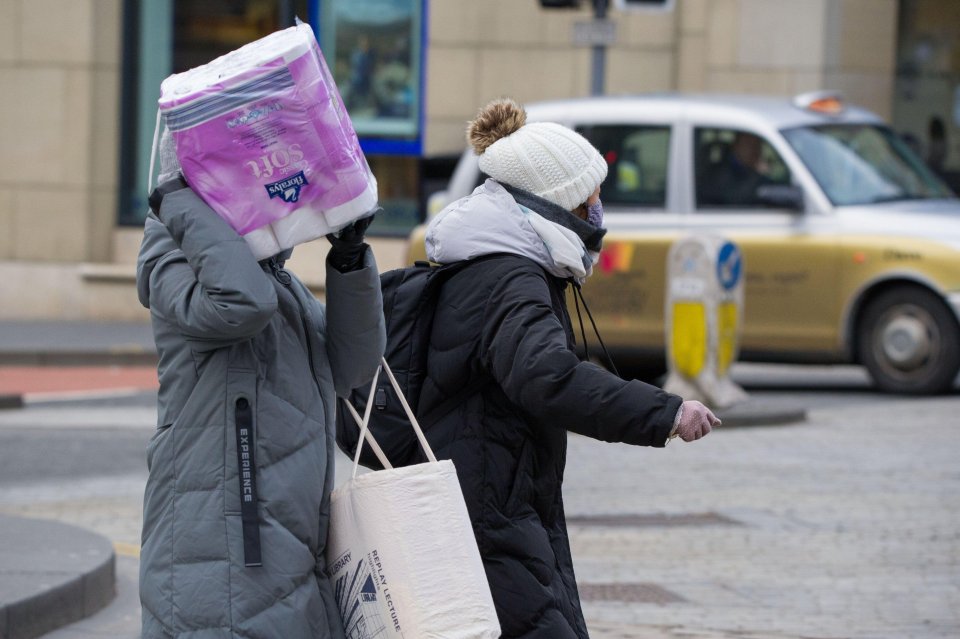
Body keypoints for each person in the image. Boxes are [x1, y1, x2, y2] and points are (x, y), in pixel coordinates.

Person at [417, 98, 719, 638]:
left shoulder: (497, 262)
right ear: (557, 205)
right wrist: (664, 412)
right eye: (591, 199)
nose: (599, 209)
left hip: (493, 498)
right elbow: (546, 376)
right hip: (490, 509)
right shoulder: (512, 278)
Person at [136, 133, 385, 638]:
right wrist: (177, 199)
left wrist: (349, 258)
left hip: (290, 548)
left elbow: (353, 365)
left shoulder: (279, 282)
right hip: (224, 554)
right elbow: (240, 307)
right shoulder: (173, 258)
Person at [698, 131, 772, 206]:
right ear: (737, 146)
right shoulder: (723, 172)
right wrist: (757, 175)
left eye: (758, 145)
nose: (756, 150)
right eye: (750, 145)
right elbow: (738, 198)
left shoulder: (746, 169)